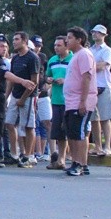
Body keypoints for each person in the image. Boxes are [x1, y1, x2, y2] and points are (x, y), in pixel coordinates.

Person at [0, 34, 35, 168]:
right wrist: (23, 81)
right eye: (1, 46)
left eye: (6, 46)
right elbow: (6, 74)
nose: (4, 49)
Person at [62, 26, 97, 177]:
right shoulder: (75, 55)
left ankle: (81, 164)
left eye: (69, 38)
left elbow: (87, 77)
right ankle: (75, 162)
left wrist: (83, 101)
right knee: (71, 133)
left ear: (79, 40)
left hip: (80, 101)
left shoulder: (84, 54)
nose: (66, 40)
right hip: (70, 101)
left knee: (79, 133)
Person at [4, 31, 41, 168]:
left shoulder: (32, 58)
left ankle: (29, 156)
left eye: (17, 39)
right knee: (9, 123)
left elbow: (34, 81)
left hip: (29, 96)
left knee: (28, 125)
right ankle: (15, 154)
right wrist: (6, 97)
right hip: (15, 94)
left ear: (24, 41)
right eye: (13, 39)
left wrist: (23, 98)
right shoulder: (15, 58)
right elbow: (11, 80)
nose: (14, 42)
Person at [45, 35, 73, 170]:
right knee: (58, 131)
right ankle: (60, 159)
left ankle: (73, 159)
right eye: (55, 45)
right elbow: (47, 75)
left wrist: (65, 81)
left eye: (59, 45)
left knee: (70, 130)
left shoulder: (73, 59)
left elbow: (79, 78)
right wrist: (49, 79)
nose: (56, 48)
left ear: (67, 46)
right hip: (56, 100)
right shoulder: (52, 60)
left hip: (70, 101)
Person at [88, 24, 111, 157]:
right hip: (91, 87)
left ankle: (107, 146)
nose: (95, 34)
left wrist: (88, 67)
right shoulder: (90, 49)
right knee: (93, 119)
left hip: (104, 85)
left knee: (105, 117)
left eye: (98, 32)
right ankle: (97, 146)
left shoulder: (107, 50)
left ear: (104, 35)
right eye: (94, 32)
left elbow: (103, 65)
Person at [30, 34, 52, 161]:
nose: (37, 48)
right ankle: (36, 152)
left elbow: (47, 75)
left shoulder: (42, 57)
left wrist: (47, 85)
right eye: (35, 45)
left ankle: (49, 151)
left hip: (42, 95)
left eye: (39, 46)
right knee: (34, 125)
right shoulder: (26, 57)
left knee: (47, 122)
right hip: (31, 94)